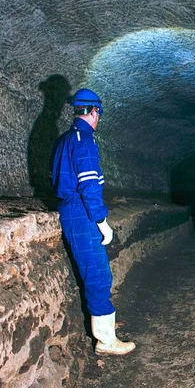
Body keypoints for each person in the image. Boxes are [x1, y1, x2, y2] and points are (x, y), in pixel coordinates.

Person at [51, 88, 135, 356]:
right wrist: (101, 220)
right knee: (98, 275)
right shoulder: (84, 139)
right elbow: (89, 185)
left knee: (95, 273)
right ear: (94, 111)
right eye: (99, 112)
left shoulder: (65, 139)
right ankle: (106, 341)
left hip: (70, 208)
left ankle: (105, 335)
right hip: (81, 211)